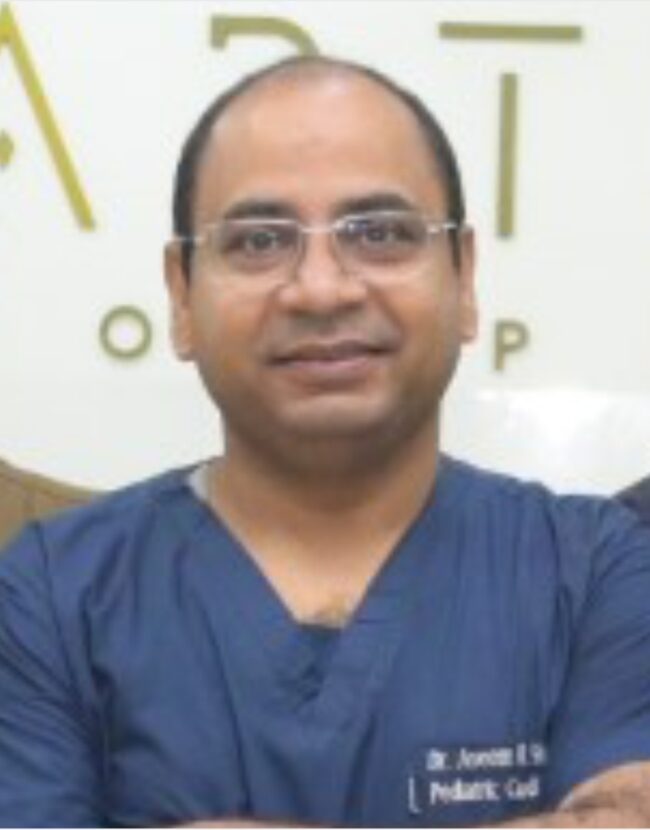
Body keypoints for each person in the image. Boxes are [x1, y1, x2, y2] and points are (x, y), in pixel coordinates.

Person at [2, 55, 650, 828]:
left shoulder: (597, 570)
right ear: (180, 295)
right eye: (258, 241)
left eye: (380, 233)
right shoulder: (52, 594)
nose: (321, 288)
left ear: (465, 277)